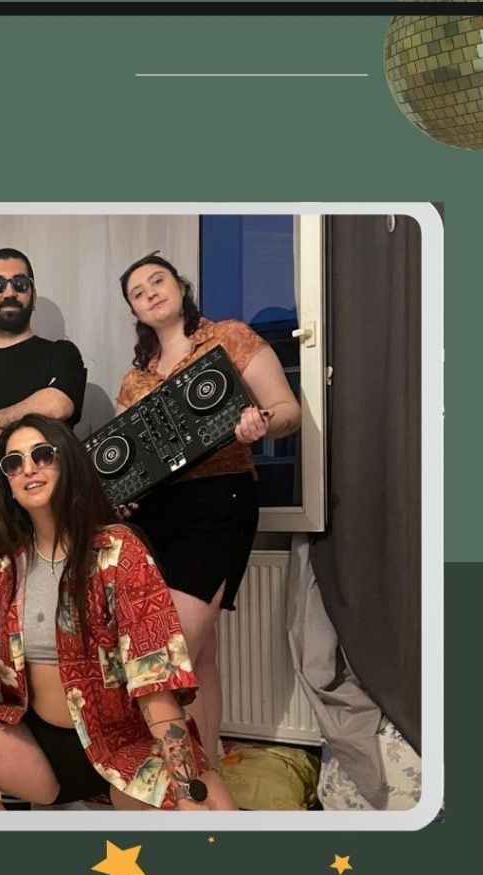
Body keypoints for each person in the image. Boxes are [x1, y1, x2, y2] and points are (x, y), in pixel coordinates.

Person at [0, 414, 235, 812]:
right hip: (39, 747)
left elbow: (155, 678)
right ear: (8, 485)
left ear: (68, 463)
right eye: (14, 463)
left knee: (211, 822)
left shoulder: (118, 552)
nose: (29, 469)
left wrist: (186, 786)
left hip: (127, 741)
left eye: (42, 455)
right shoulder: (0, 573)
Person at [115, 252, 302, 766]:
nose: (151, 293)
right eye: (138, 292)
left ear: (180, 286)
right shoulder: (135, 379)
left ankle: (179, 778)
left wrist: (262, 422)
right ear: (134, 310)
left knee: (167, 654)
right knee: (199, 658)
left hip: (219, 500)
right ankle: (208, 769)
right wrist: (122, 493)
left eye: (158, 281)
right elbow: (129, 463)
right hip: (155, 516)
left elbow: (289, 411)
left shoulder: (230, 337)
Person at [0, 247, 87, 431]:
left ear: (33, 296)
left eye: (20, 283)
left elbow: (57, 406)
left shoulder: (61, 354)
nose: (9, 293)